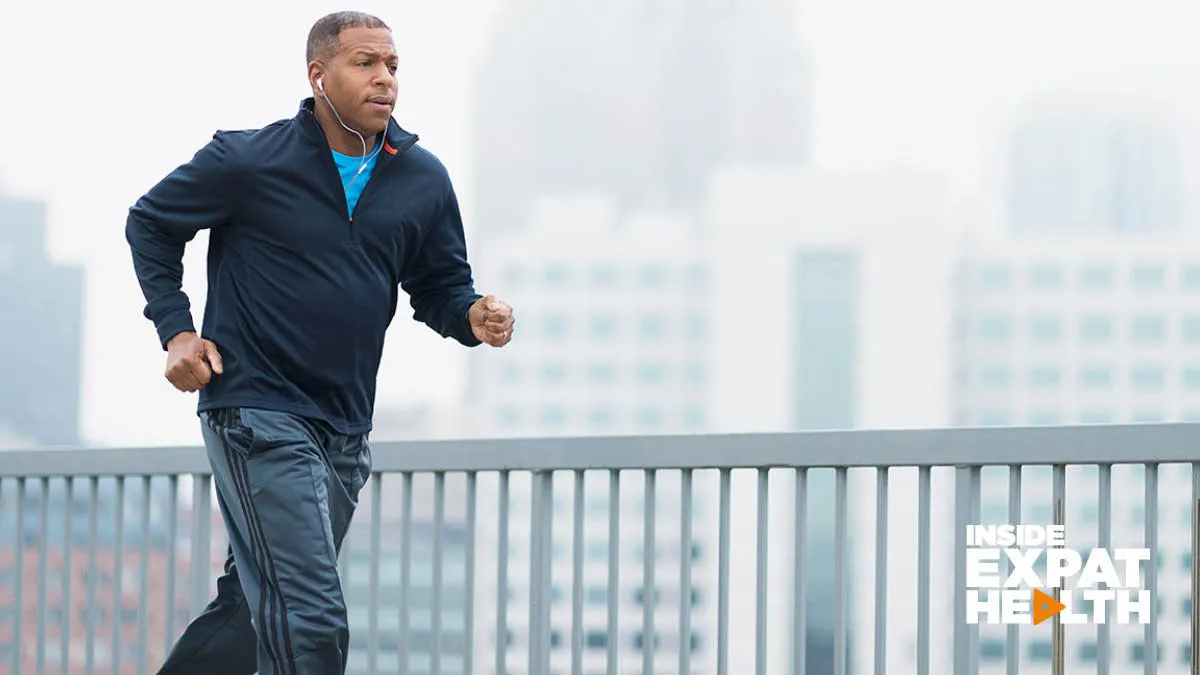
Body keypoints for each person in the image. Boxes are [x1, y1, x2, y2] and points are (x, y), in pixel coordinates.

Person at [125, 11, 515, 674]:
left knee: (251, 611)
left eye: (392, 65)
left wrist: (474, 314)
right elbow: (152, 223)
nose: (385, 78)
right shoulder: (249, 160)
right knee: (311, 620)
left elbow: (441, 285)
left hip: (342, 433)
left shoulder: (421, 179)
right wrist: (178, 331)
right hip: (257, 413)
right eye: (366, 63)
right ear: (319, 75)